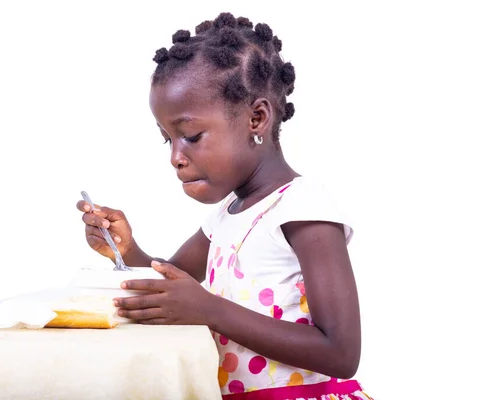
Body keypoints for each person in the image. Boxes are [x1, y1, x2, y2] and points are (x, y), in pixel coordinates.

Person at [77, 12, 371, 400]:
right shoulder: (224, 218)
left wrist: (211, 310)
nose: (176, 158)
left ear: (257, 118)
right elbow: (173, 286)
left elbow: (341, 352)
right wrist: (126, 250)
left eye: (191, 136)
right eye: (169, 140)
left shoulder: (303, 207)